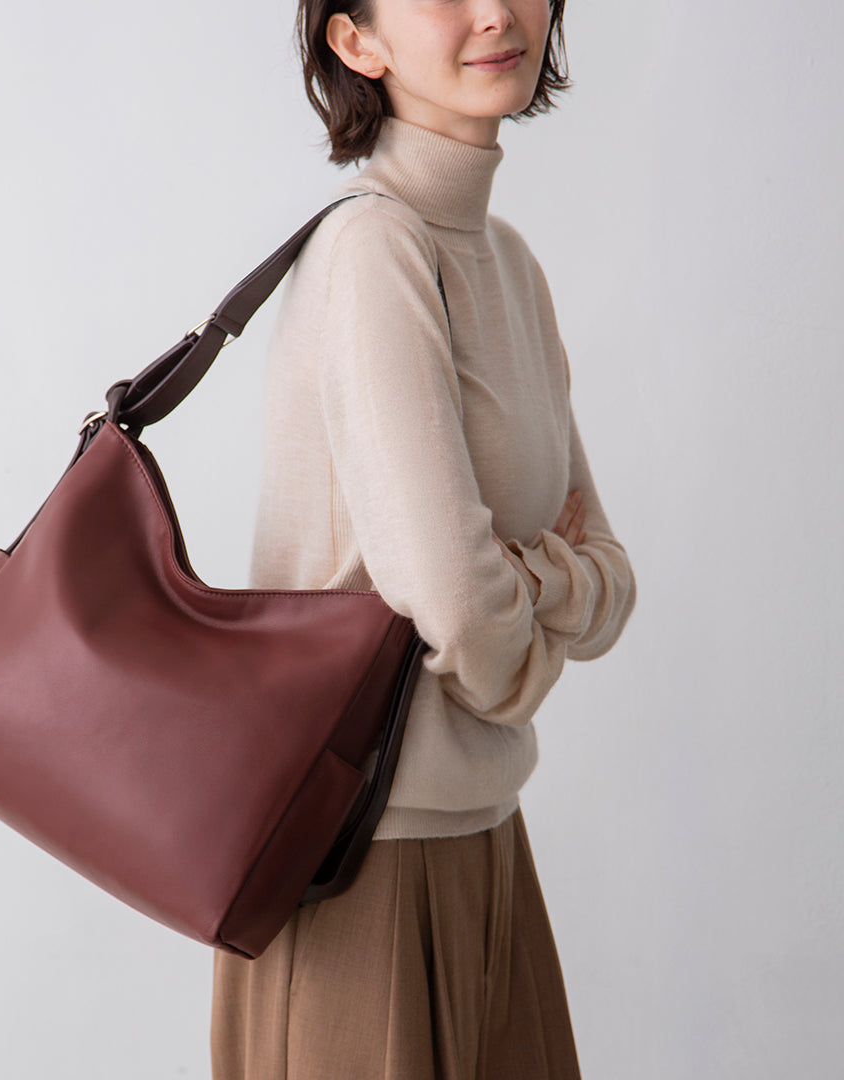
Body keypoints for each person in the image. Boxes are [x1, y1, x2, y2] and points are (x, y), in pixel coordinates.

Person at [210, 0, 637, 1076]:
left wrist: (525, 587)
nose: (494, 12)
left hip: (488, 840)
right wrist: (547, 589)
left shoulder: (508, 262)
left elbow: (614, 580)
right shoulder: (373, 249)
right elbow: (461, 608)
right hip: (359, 863)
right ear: (357, 42)